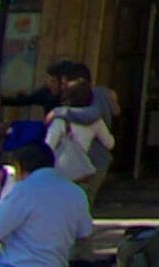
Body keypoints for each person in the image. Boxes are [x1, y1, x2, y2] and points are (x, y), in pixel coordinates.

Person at [39, 61, 119, 190]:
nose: (64, 87)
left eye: (66, 84)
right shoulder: (103, 98)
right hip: (91, 167)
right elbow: (111, 138)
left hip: (81, 164)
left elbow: (49, 146)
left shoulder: (94, 97)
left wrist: (58, 111)